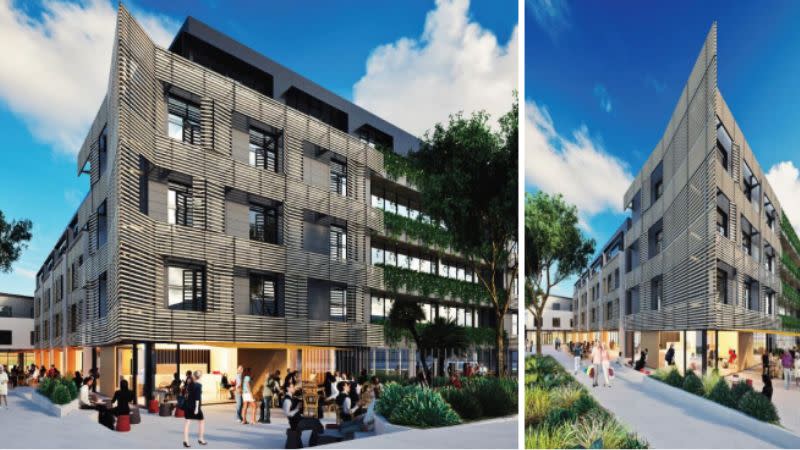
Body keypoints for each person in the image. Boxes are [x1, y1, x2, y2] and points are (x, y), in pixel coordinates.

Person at [183, 371, 207, 447]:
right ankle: (200, 438)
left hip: (187, 406)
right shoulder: (198, 385)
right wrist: (196, 409)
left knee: (187, 423)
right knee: (201, 421)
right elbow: (197, 398)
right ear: (199, 377)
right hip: (195, 407)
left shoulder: (189, 384)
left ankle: (185, 440)